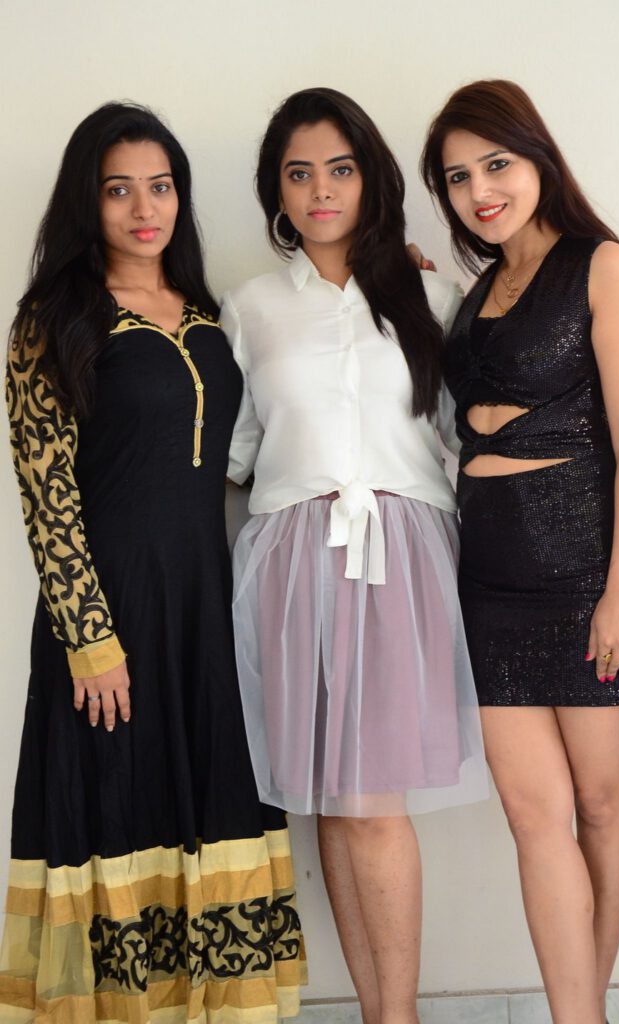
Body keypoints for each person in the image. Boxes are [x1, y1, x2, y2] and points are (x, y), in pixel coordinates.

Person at [0, 102, 305, 1024]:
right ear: (85, 202)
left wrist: (387, 279)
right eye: (119, 190)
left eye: (161, 187)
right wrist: (89, 639)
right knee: (117, 810)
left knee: (208, 803)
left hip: (207, 611)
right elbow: (46, 496)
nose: (145, 208)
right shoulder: (52, 322)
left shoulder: (213, 317)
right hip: (111, 617)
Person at [222, 87, 487, 1024]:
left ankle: (398, 1014)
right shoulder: (249, 308)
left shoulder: (436, 298)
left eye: (339, 169)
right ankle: (381, 1013)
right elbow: (234, 453)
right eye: (299, 174)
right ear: (277, 192)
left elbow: (467, 434)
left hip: (400, 560)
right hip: (292, 562)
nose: (321, 190)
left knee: (373, 806)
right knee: (333, 804)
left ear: (371, 178)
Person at [420, 79, 619, 1024]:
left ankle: (579, 1012)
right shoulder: (475, 294)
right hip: (489, 583)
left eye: (496, 164)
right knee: (534, 818)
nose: (480, 191)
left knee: (599, 805)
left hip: (590, 577)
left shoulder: (603, 265)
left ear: (537, 158)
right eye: (457, 177)